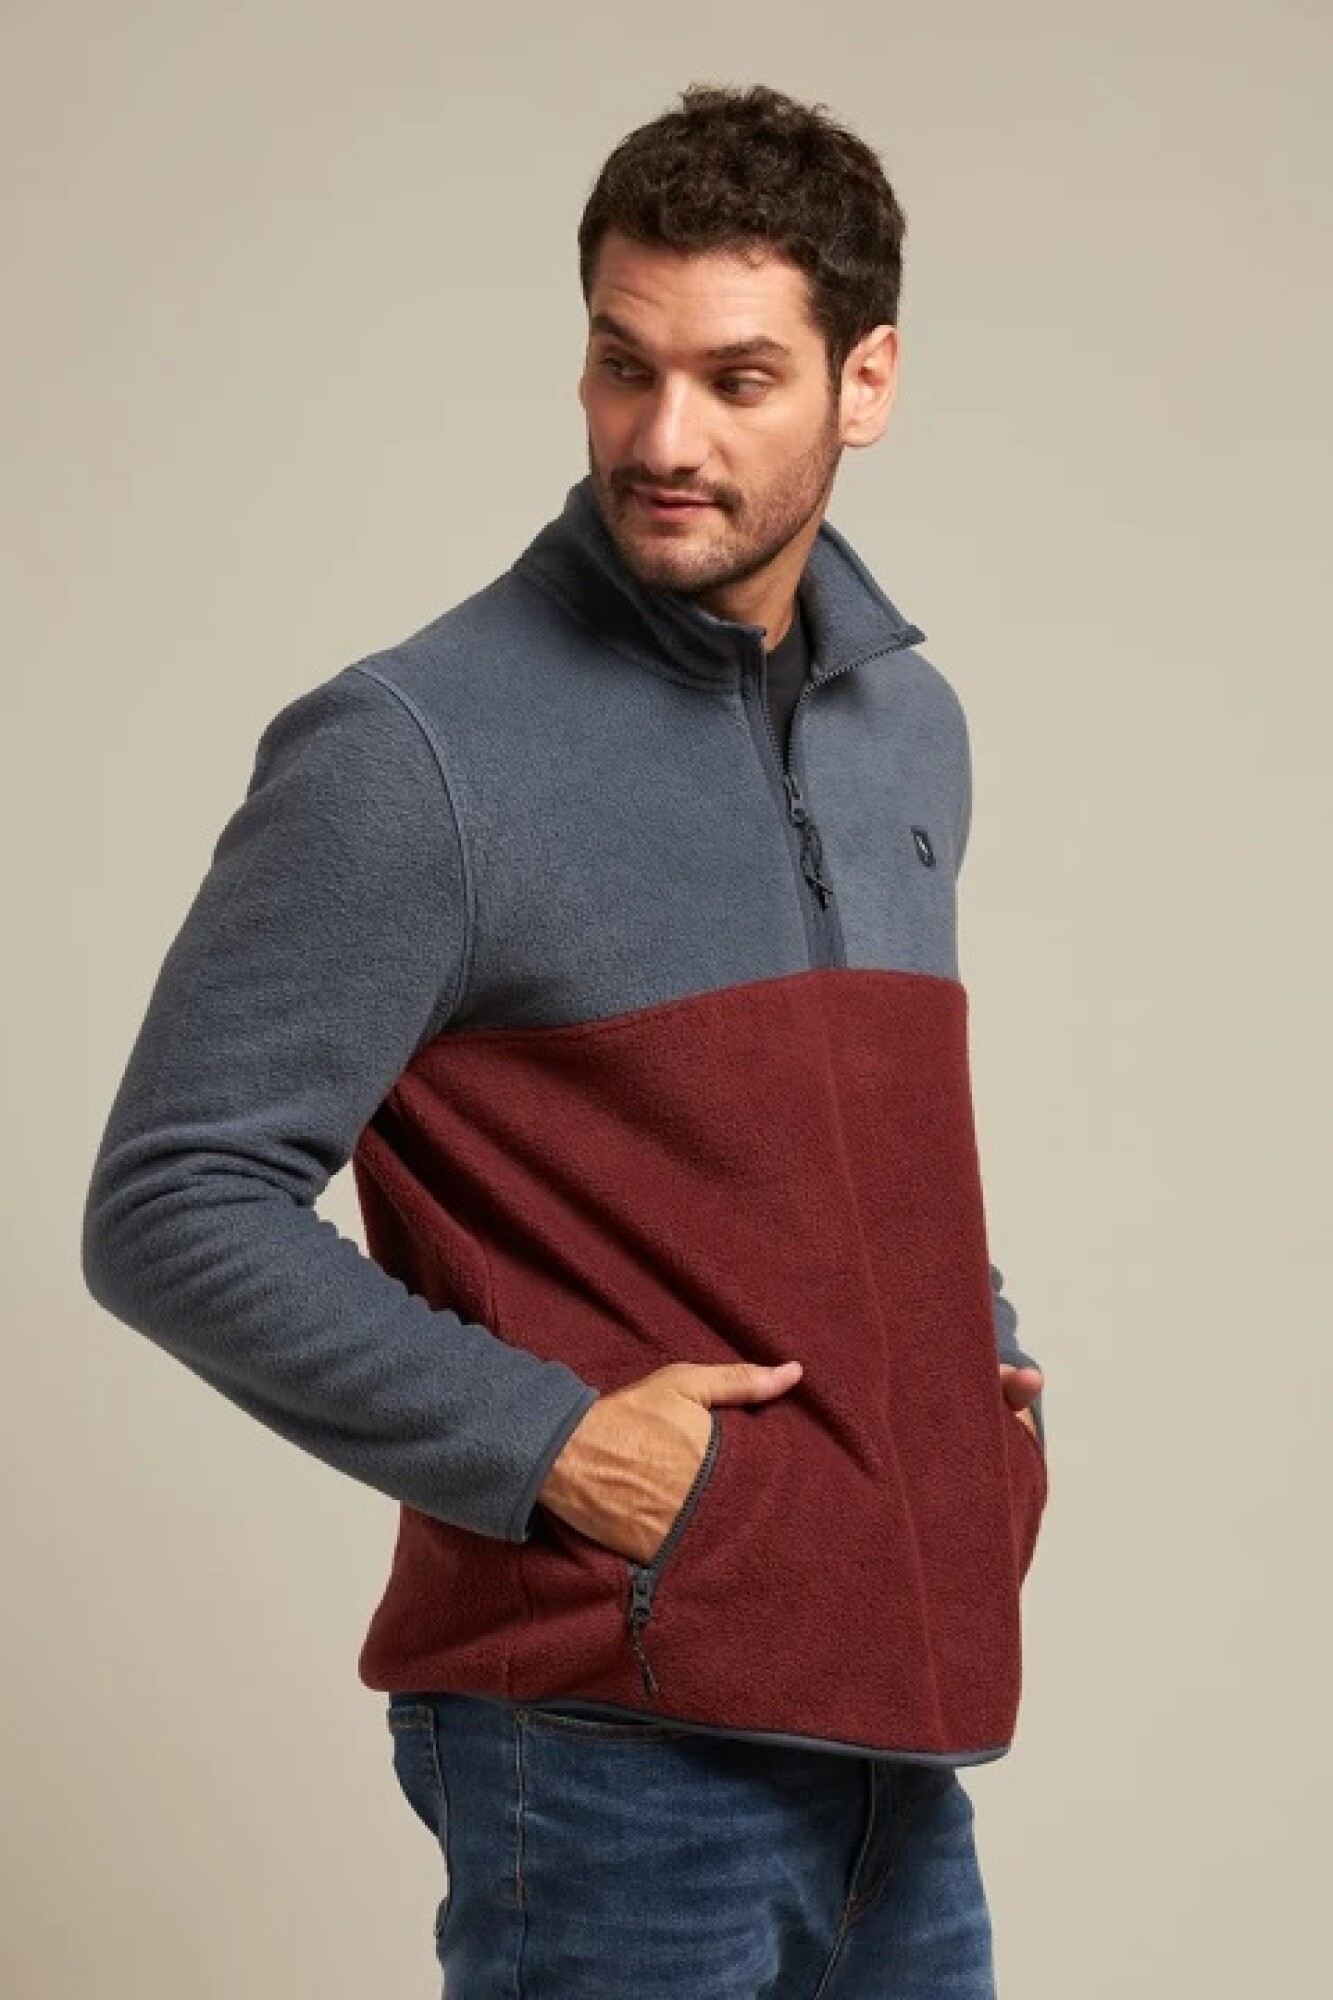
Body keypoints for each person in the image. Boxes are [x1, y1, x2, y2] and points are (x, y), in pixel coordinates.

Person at [82, 80, 1049, 1998]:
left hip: (899, 1731)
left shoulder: (905, 732)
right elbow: (171, 1202)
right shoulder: (415, 751)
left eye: (737, 379)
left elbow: (835, 1153)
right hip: (605, 1746)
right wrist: (558, 1447)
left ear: (864, 383)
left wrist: (974, 1375)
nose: (662, 438)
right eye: (623, 365)